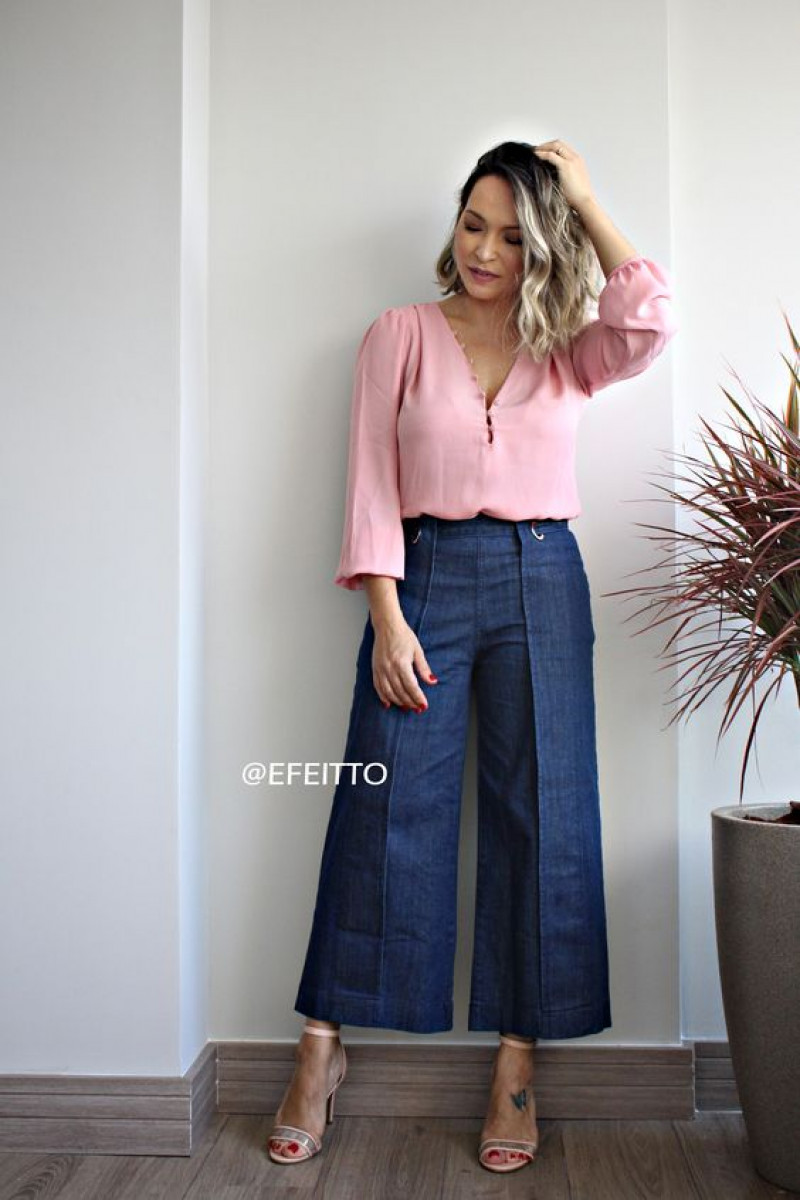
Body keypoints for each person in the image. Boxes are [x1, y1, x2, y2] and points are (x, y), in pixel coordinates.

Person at [267, 139, 678, 1173]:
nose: (486, 249)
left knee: (545, 815)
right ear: (452, 227)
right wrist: (385, 615)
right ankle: (320, 1049)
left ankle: (515, 1063)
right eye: (472, 224)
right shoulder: (398, 335)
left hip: (543, 575)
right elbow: (369, 478)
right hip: (426, 575)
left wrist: (580, 196)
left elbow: (648, 315)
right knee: (383, 801)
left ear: (540, 245)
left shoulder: (568, 346)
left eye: (510, 232)